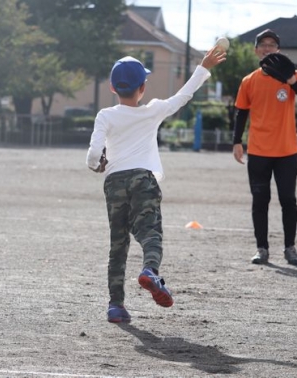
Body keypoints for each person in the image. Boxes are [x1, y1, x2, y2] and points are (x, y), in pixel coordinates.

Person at [86, 49, 226, 323]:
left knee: (118, 244)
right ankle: (150, 270)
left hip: (114, 182)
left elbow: (93, 155)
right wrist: (203, 67)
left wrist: (97, 165)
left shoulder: (105, 115)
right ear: (143, 87)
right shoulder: (152, 111)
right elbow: (183, 96)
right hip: (144, 179)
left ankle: (116, 305)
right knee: (151, 234)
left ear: (113, 87)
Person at [232, 29, 297, 266]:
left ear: (278, 50)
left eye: (272, 44)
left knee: (288, 199)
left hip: (287, 151)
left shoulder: (292, 75)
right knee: (260, 200)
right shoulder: (249, 80)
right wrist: (237, 141)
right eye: (263, 44)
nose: (268, 48)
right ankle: (262, 248)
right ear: (256, 50)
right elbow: (241, 112)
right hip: (258, 151)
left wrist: (291, 81)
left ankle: (290, 248)